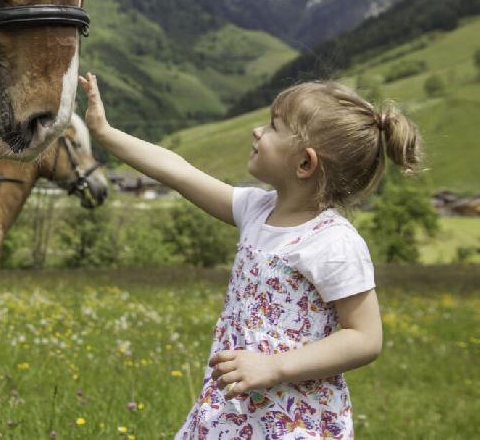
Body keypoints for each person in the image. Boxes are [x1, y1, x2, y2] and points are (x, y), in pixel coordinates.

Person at [78, 75, 422, 439]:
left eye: (274, 127)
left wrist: (274, 366)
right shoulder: (255, 210)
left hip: (293, 422)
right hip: (232, 411)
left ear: (305, 164)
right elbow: (176, 171)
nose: (257, 131)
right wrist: (104, 132)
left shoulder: (333, 243)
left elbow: (365, 338)